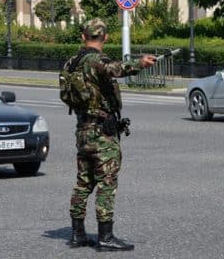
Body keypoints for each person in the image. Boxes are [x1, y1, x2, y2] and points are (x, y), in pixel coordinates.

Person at [65, 18, 156, 251]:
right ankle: (105, 236)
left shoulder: (71, 63)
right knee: (107, 182)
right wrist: (140, 63)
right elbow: (116, 68)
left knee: (83, 182)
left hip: (82, 129)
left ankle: (77, 234)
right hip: (102, 132)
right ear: (104, 38)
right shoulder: (97, 61)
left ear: (83, 36)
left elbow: (65, 95)